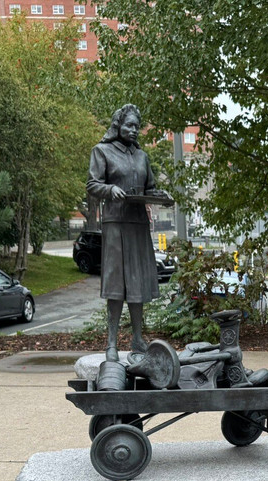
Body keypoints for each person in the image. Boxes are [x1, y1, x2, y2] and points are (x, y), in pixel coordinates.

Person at [86, 104, 168, 362]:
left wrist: (161, 196)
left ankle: (137, 339)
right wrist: (110, 190)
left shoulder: (142, 157)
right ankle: (110, 342)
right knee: (115, 284)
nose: (133, 130)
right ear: (117, 126)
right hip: (115, 224)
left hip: (137, 225)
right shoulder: (102, 151)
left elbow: (149, 187)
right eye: (129, 125)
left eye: (136, 126)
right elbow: (92, 184)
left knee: (137, 283)